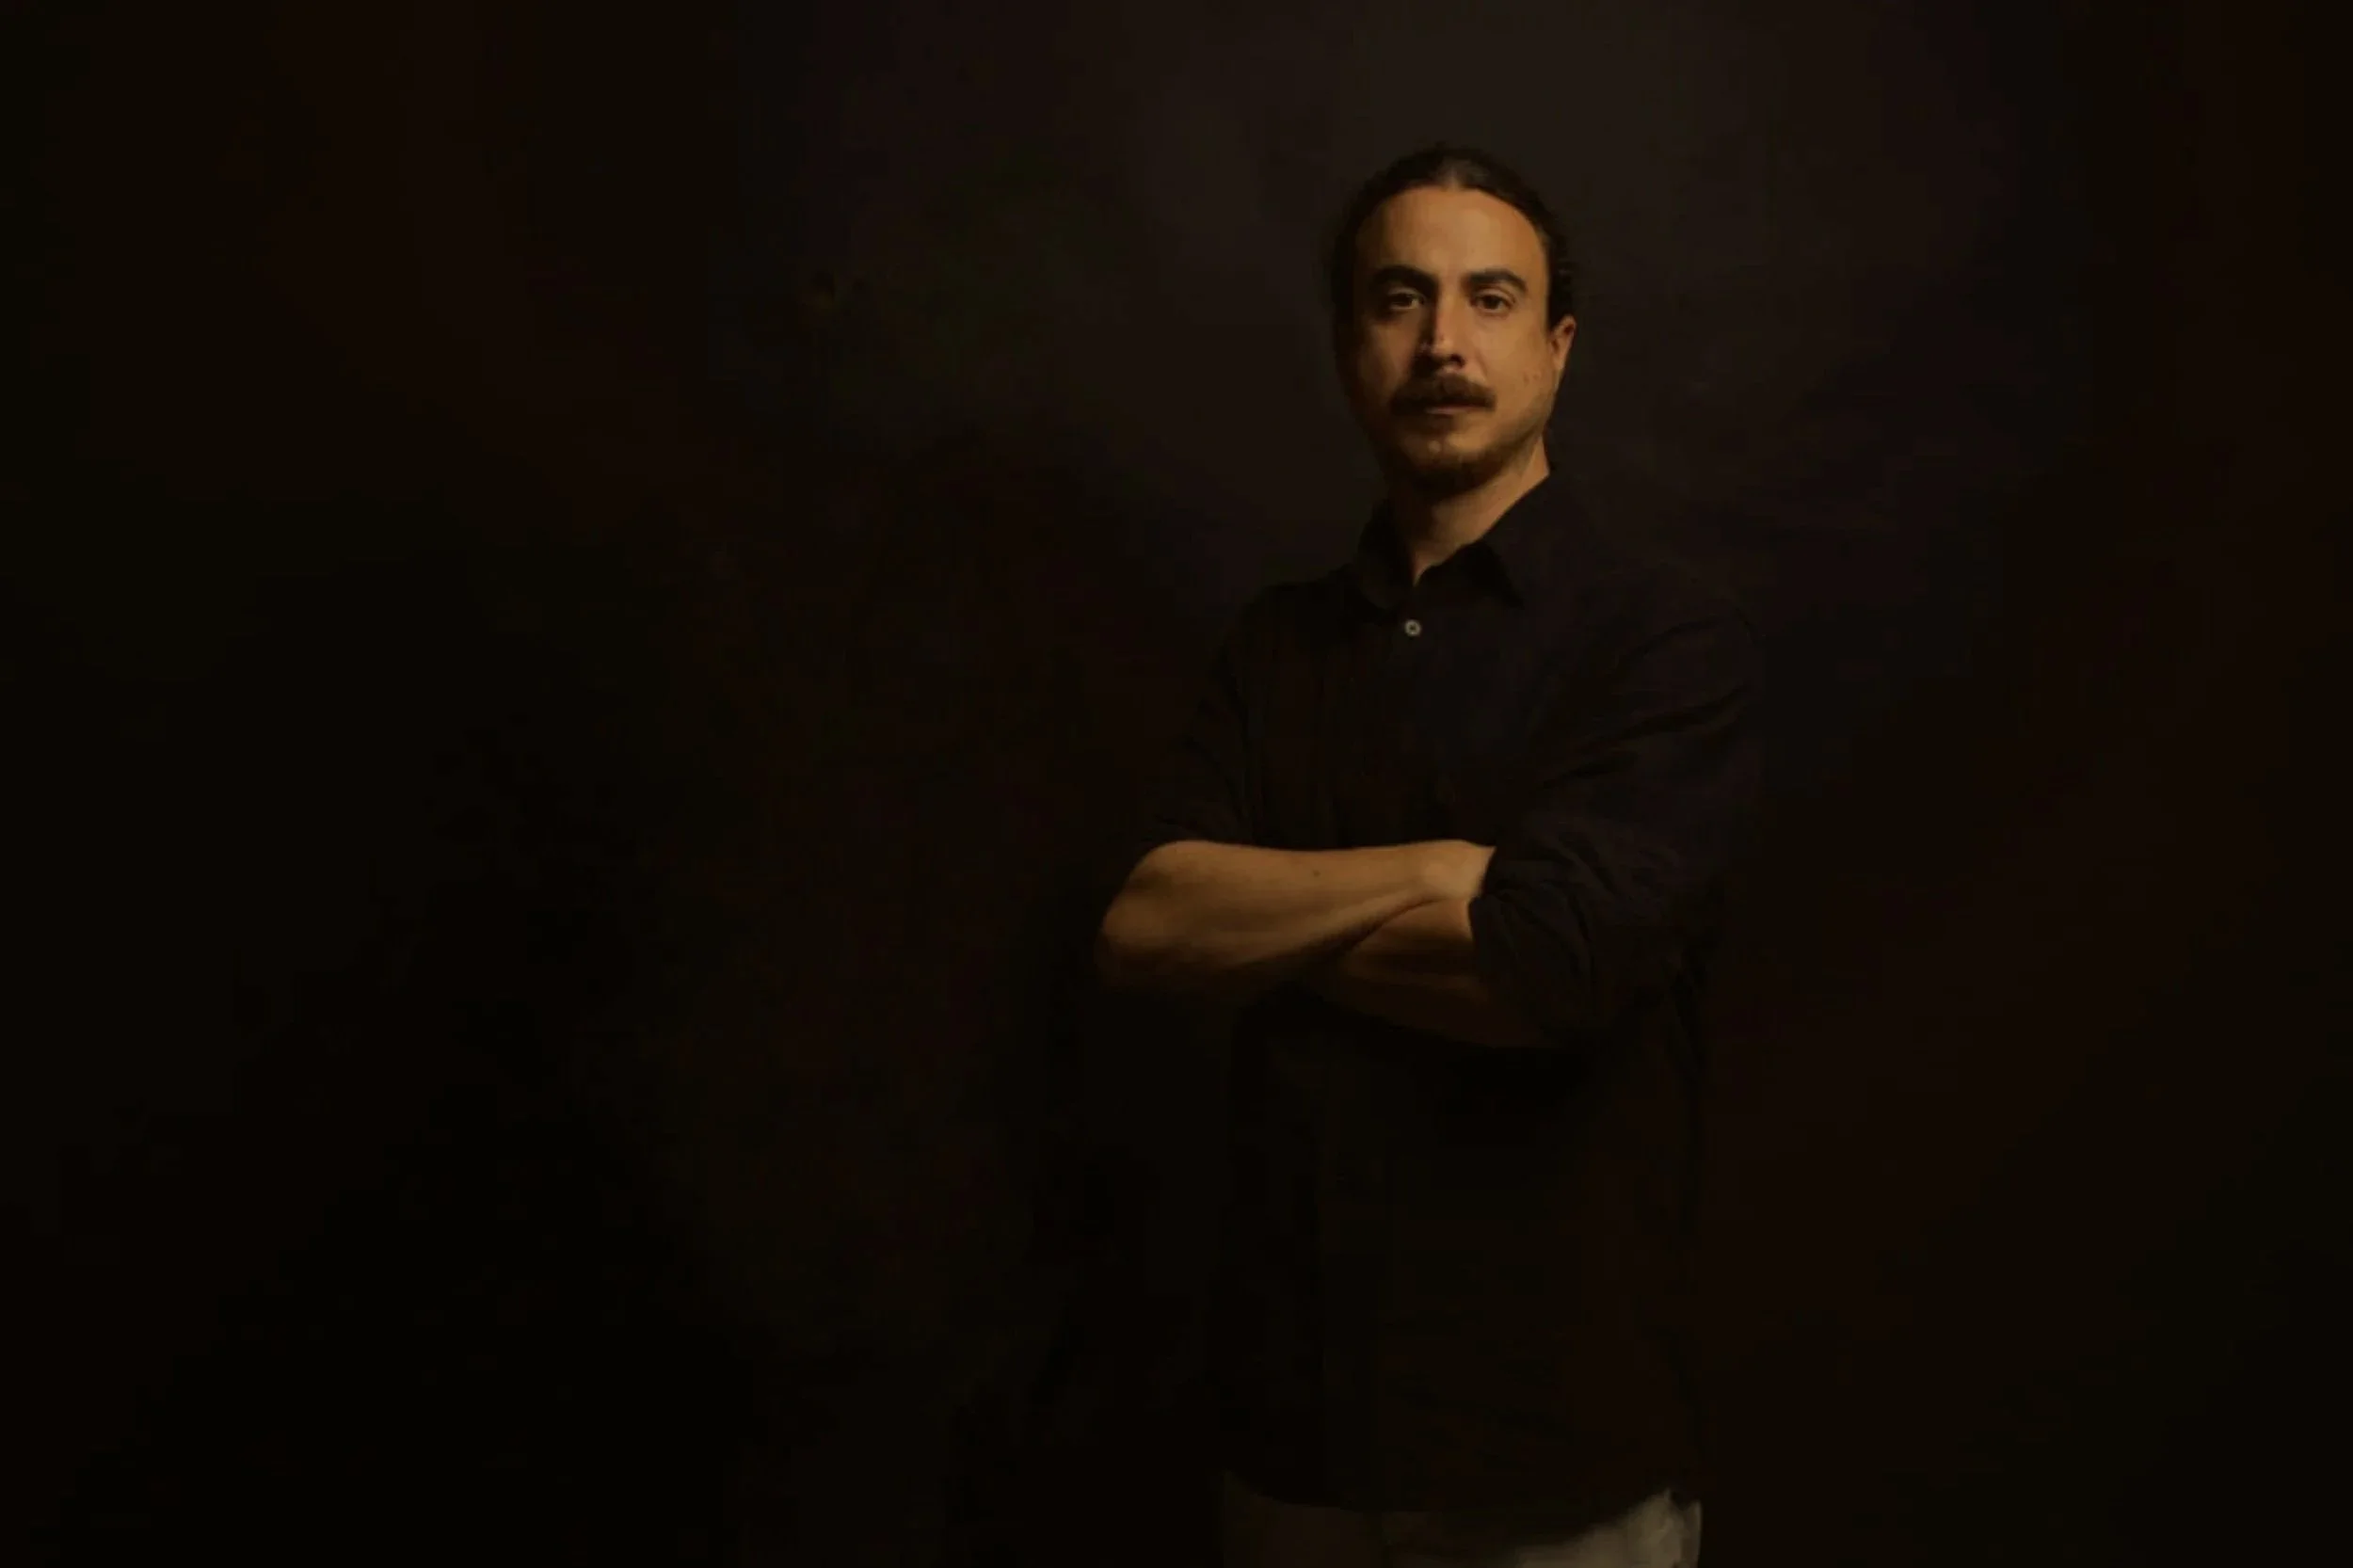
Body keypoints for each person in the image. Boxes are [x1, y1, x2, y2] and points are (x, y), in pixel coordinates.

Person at [1095, 144, 1762, 1567]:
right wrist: (1444, 868)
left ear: (1557, 346)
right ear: (1349, 345)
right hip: (1292, 1447)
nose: (1444, 341)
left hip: (1556, 1460)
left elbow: (1544, 973)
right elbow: (1146, 927)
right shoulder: (1275, 647)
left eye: (1491, 298)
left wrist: (1265, 929)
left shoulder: (1662, 641)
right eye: (1399, 298)